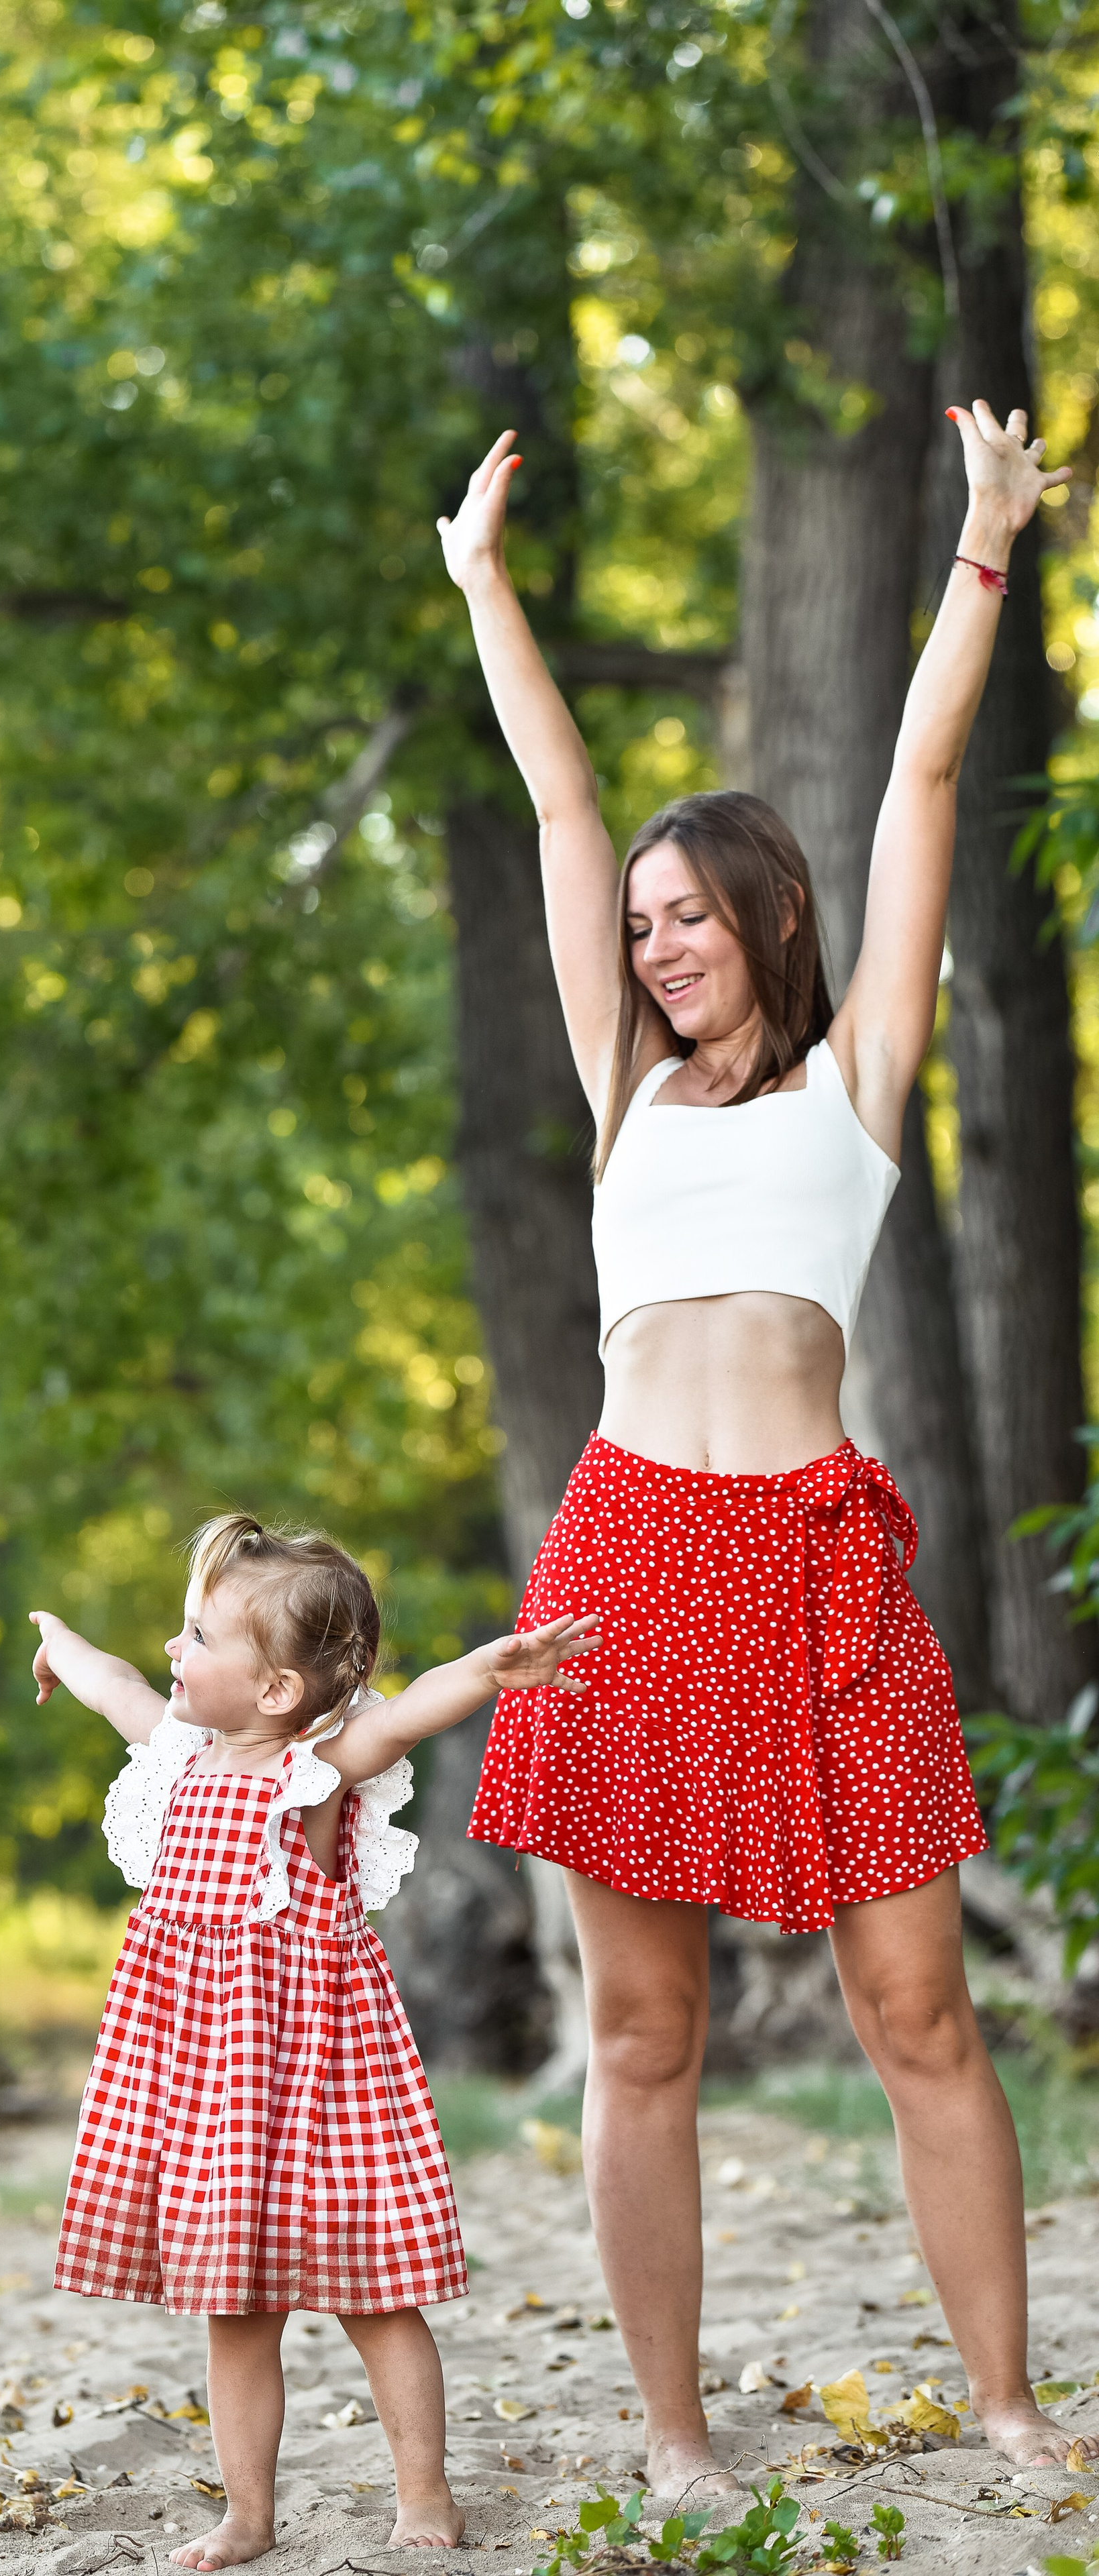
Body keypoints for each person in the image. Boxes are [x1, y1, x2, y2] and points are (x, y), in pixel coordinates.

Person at [434, 397, 1082, 2499]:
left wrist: (982, 542)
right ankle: (677, 2434)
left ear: (771, 920)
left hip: (814, 1556)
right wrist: (483, 588)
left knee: (918, 2009)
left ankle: (1003, 2404)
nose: (657, 945)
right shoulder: (623, 1092)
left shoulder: (858, 1080)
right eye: (641, 927)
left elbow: (917, 778)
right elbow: (553, 797)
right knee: (645, 2036)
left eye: (692, 916)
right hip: (630, 1562)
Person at [30, 1514, 598, 2571]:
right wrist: (60, 1645)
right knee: (234, 2311)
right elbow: (114, 1683)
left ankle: (424, 2495)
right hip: (206, 2088)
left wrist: (488, 1668)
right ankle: (248, 2514)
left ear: (279, 1692)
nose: (172, 1651)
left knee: (376, 2298)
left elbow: (413, 1715)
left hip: (319, 2079)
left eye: (199, 1638)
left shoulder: (317, 1774)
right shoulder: (178, 1755)